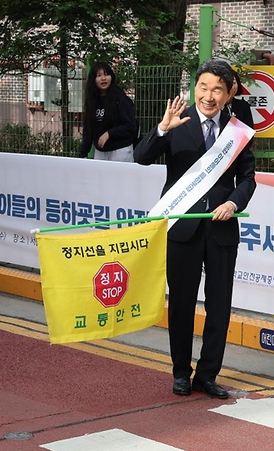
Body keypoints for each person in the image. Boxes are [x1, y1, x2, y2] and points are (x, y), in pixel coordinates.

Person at [135, 59, 257, 399]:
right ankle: (180, 372)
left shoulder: (237, 129)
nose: (209, 95)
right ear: (194, 88)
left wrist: (233, 203)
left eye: (217, 89)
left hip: (221, 228)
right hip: (182, 228)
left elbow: (248, 178)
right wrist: (162, 129)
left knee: (219, 305)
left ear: (229, 92)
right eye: (203, 87)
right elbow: (141, 156)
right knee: (183, 304)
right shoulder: (179, 121)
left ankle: (208, 374)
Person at [79, 62, 137, 162]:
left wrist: (109, 134)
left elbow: (130, 126)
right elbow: (88, 129)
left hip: (121, 150)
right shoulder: (92, 101)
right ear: (93, 80)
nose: (103, 78)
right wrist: (83, 153)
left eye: (106, 74)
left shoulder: (121, 99)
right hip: (100, 152)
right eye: (99, 75)